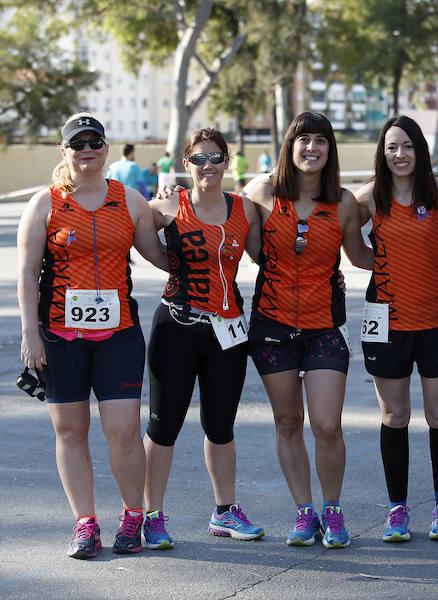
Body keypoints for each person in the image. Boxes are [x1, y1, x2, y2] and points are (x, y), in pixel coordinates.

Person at [17, 113, 168, 559]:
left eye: (94, 142)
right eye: (77, 143)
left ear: (106, 149)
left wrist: (183, 214)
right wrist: (30, 334)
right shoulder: (45, 203)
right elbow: (26, 273)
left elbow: (159, 257)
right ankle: (85, 523)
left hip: (118, 334)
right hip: (60, 334)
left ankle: (132, 515)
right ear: (64, 151)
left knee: (122, 430)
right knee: (70, 429)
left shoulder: (130, 200)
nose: (87, 150)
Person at [244, 112, 373, 549]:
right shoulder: (261, 193)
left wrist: (426, 251)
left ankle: (332, 511)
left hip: (323, 328)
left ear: (329, 150)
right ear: (289, 145)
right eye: (303, 140)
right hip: (271, 326)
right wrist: (169, 196)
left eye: (320, 141)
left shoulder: (344, 203)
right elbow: (216, 220)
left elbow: (360, 256)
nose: (311, 148)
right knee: (287, 421)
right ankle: (304, 513)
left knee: (326, 424)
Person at [142, 128, 264, 550]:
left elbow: (268, 257)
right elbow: (136, 233)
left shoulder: (244, 209)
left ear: (228, 162)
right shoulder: (168, 205)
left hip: (227, 331)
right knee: (163, 427)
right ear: (185, 163)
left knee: (221, 427)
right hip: (176, 326)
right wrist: (168, 263)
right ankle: (151, 516)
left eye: (215, 158)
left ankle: (225, 511)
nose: (207, 166)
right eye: (199, 159)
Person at [354, 116, 438, 543]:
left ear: (420, 150)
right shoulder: (368, 198)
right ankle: (397, 510)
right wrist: (383, 265)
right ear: (382, 153)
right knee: (394, 416)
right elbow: (350, 245)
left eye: (407, 147)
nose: (400, 155)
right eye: (391, 147)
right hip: (387, 322)